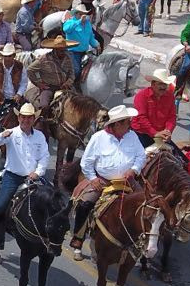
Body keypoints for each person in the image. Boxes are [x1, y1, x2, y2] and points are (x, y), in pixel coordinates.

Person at [73, 105, 148, 247]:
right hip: (103, 181)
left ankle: (140, 239)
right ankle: (78, 235)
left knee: (145, 205)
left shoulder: (132, 136)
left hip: (127, 181)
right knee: (85, 204)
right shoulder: (98, 138)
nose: (130, 125)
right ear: (118, 124)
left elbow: (141, 156)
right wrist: (93, 179)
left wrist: (134, 170)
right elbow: (86, 162)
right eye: (127, 122)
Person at [0, 104, 50, 247]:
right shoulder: (11, 133)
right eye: (23, 117)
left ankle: (48, 236)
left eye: (29, 118)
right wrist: (1, 135)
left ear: (34, 119)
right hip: (13, 177)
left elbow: (45, 156)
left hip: (33, 177)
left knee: (53, 203)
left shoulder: (40, 136)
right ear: (18, 118)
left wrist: (38, 172)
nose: (26, 120)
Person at [27, 36, 78, 116]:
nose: (63, 52)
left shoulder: (68, 58)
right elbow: (30, 70)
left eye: (64, 50)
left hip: (65, 87)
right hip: (50, 87)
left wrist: (68, 82)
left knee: (80, 103)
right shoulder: (44, 59)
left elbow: (72, 73)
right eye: (61, 50)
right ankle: (42, 124)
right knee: (44, 106)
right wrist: (39, 84)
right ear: (55, 50)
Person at [131, 69, 178, 148]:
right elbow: (141, 118)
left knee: (180, 158)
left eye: (165, 84)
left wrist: (168, 131)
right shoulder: (142, 96)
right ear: (153, 84)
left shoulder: (170, 96)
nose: (163, 87)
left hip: (161, 134)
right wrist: (155, 133)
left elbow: (172, 116)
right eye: (160, 84)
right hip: (142, 133)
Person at [61, 8, 101, 80]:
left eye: (84, 14)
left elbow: (91, 37)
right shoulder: (70, 22)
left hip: (85, 51)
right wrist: (79, 21)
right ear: (76, 14)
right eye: (81, 14)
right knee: (76, 71)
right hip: (73, 52)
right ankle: (71, 85)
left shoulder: (88, 23)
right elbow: (66, 29)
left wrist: (96, 45)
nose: (83, 16)